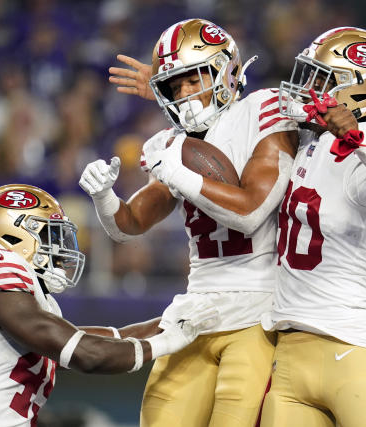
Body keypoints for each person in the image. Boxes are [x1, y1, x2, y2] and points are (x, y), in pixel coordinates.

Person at [80, 18, 299, 427]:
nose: (184, 95)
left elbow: (250, 213)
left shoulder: (262, 110)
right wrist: (104, 196)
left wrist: (178, 169)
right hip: (196, 309)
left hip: (258, 307)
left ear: (226, 70)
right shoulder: (175, 141)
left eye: (192, 79)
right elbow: (128, 224)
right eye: (174, 86)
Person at [0, 183, 218, 427]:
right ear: (13, 234)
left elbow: (91, 339)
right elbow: (86, 354)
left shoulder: (33, 304)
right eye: (49, 234)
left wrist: (166, 322)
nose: (60, 248)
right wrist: (166, 342)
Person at [258, 27, 366, 427]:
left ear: (356, 90)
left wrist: (355, 137)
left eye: (321, 79)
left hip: (348, 344)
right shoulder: (307, 140)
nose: (307, 87)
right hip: (287, 351)